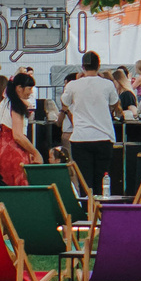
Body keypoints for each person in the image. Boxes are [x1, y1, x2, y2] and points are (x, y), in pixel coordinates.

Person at [61, 50, 119, 197]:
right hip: (103, 136)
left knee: (85, 181)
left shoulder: (73, 85)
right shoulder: (108, 84)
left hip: (81, 137)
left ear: (83, 67)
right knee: (102, 180)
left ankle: (89, 213)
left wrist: (77, 80)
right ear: (98, 66)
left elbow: (65, 102)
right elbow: (114, 103)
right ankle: (101, 213)